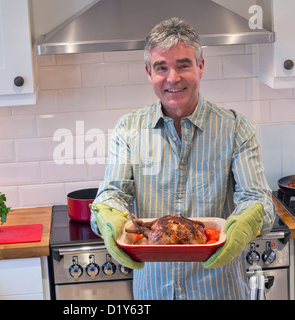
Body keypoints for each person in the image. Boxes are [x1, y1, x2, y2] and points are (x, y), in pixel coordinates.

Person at [90, 17, 276, 300]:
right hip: (153, 291)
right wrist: (107, 216)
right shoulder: (128, 129)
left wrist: (249, 220)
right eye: (161, 67)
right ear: (148, 73)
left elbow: (258, 200)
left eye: (183, 65)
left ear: (201, 67)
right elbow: (113, 193)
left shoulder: (236, 128)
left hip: (218, 290)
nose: (172, 78)